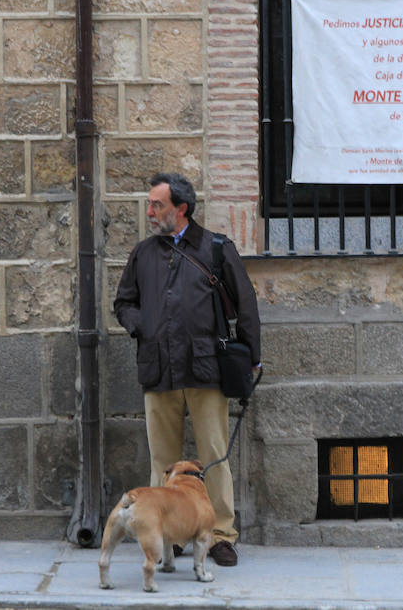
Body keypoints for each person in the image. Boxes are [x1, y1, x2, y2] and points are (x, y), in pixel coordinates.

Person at [113, 172, 261, 567]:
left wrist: (253, 355)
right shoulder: (143, 253)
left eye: (156, 205)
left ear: (181, 209)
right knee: (163, 459)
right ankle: (168, 535)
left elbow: (245, 303)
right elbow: (123, 302)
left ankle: (220, 535)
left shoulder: (216, 248)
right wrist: (141, 326)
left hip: (205, 366)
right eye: (149, 204)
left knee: (213, 455)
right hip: (158, 368)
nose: (150, 211)